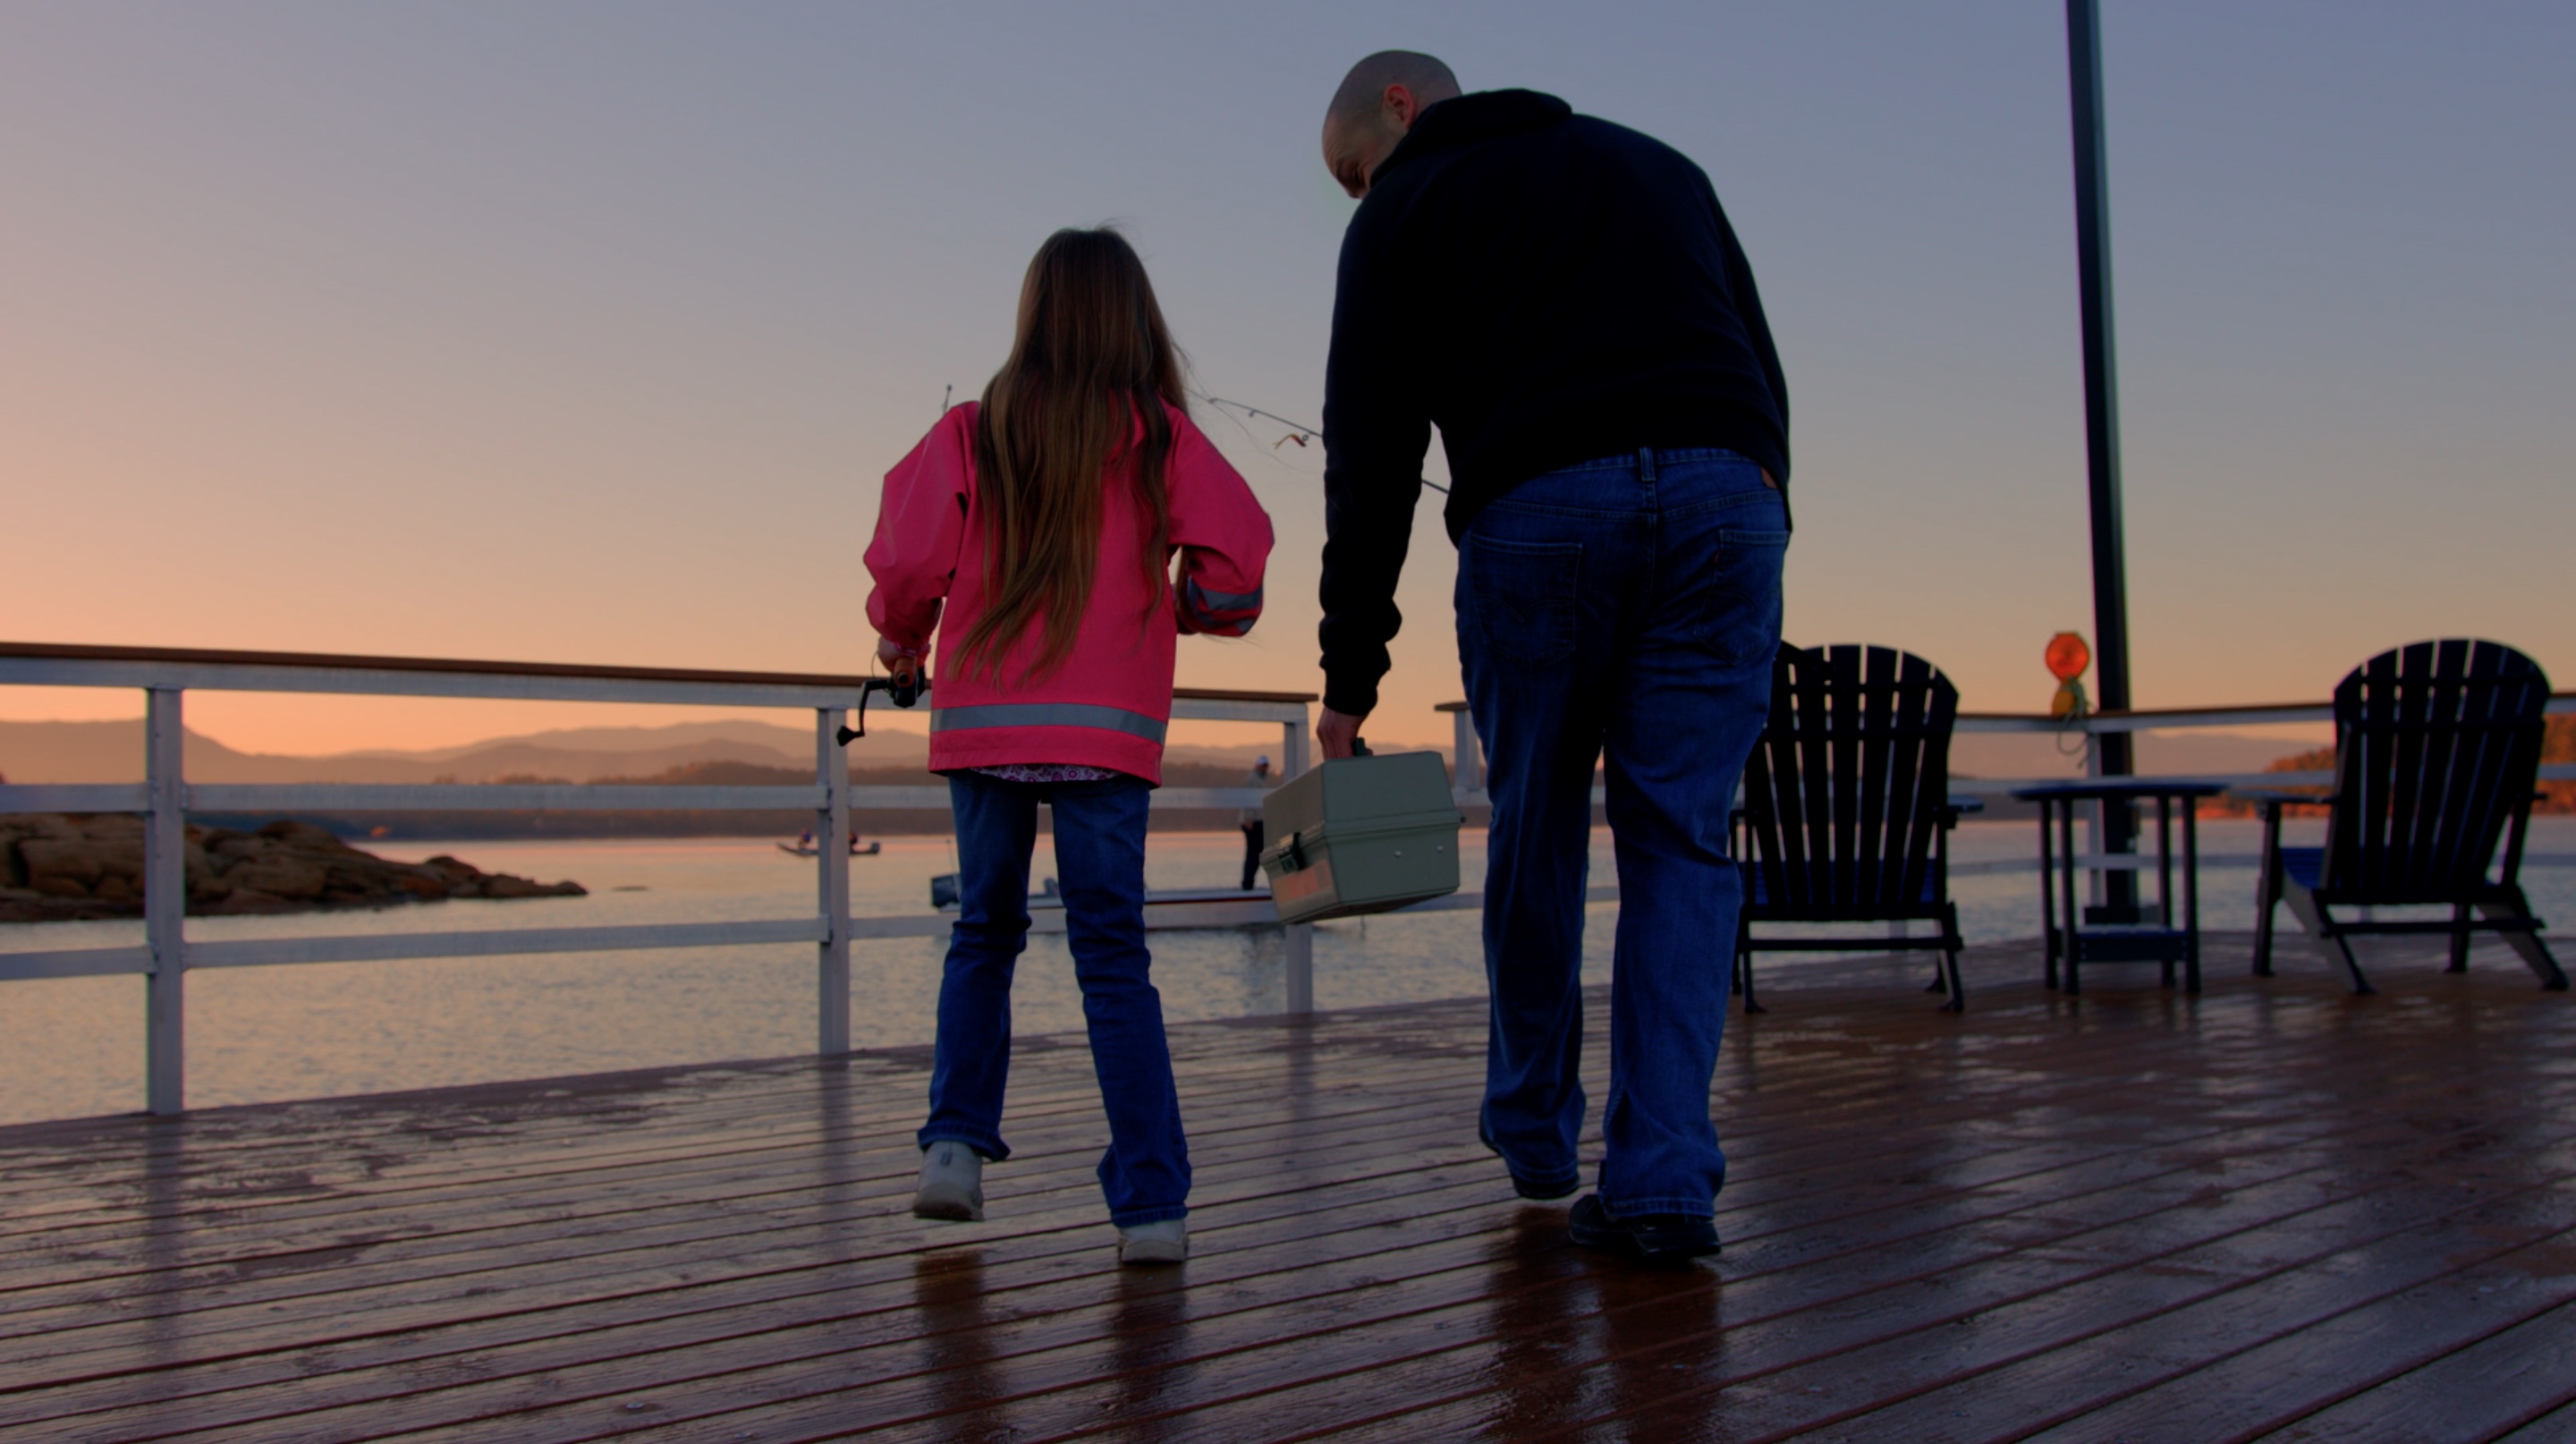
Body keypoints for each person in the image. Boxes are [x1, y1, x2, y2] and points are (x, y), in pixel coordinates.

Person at [1315, 53, 1790, 1263]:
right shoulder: (1661, 167)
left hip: (1541, 508)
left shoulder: (1404, 214)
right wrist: (1760, 498)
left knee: (1537, 821)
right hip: (1725, 487)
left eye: (1354, 171)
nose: (1359, 197)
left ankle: (1534, 1128)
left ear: (1403, 111)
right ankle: (1666, 1179)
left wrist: (1350, 683)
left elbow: (1369, 466)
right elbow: (1762, 366)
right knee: (1684, 837)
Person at [866, 227, 1274, 1266]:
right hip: (1109, 734)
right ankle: (1151, 1209)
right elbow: (1237, 569)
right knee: (1112, 960)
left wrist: (902, 638)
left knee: (985, 933)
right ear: (1133, 317)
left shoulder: (974, 427)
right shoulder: (1160, 436)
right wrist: (1190, 607)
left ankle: (953, 1149)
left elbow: (911, 561)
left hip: (986, 723)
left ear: (1035, 310)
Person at [1237, 754, 1273, 891]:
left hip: (1258, 820)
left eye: (1266, 765)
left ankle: (1248, 883)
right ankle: (1248, 883)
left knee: (1255, 852)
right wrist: (1248, 819)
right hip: (1253, 821)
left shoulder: (1258, 779)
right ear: (1258, 765)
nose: (1265, 768)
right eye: (1263, 765)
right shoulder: (1253, 779)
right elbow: (1247, 799)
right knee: (1254, 853)